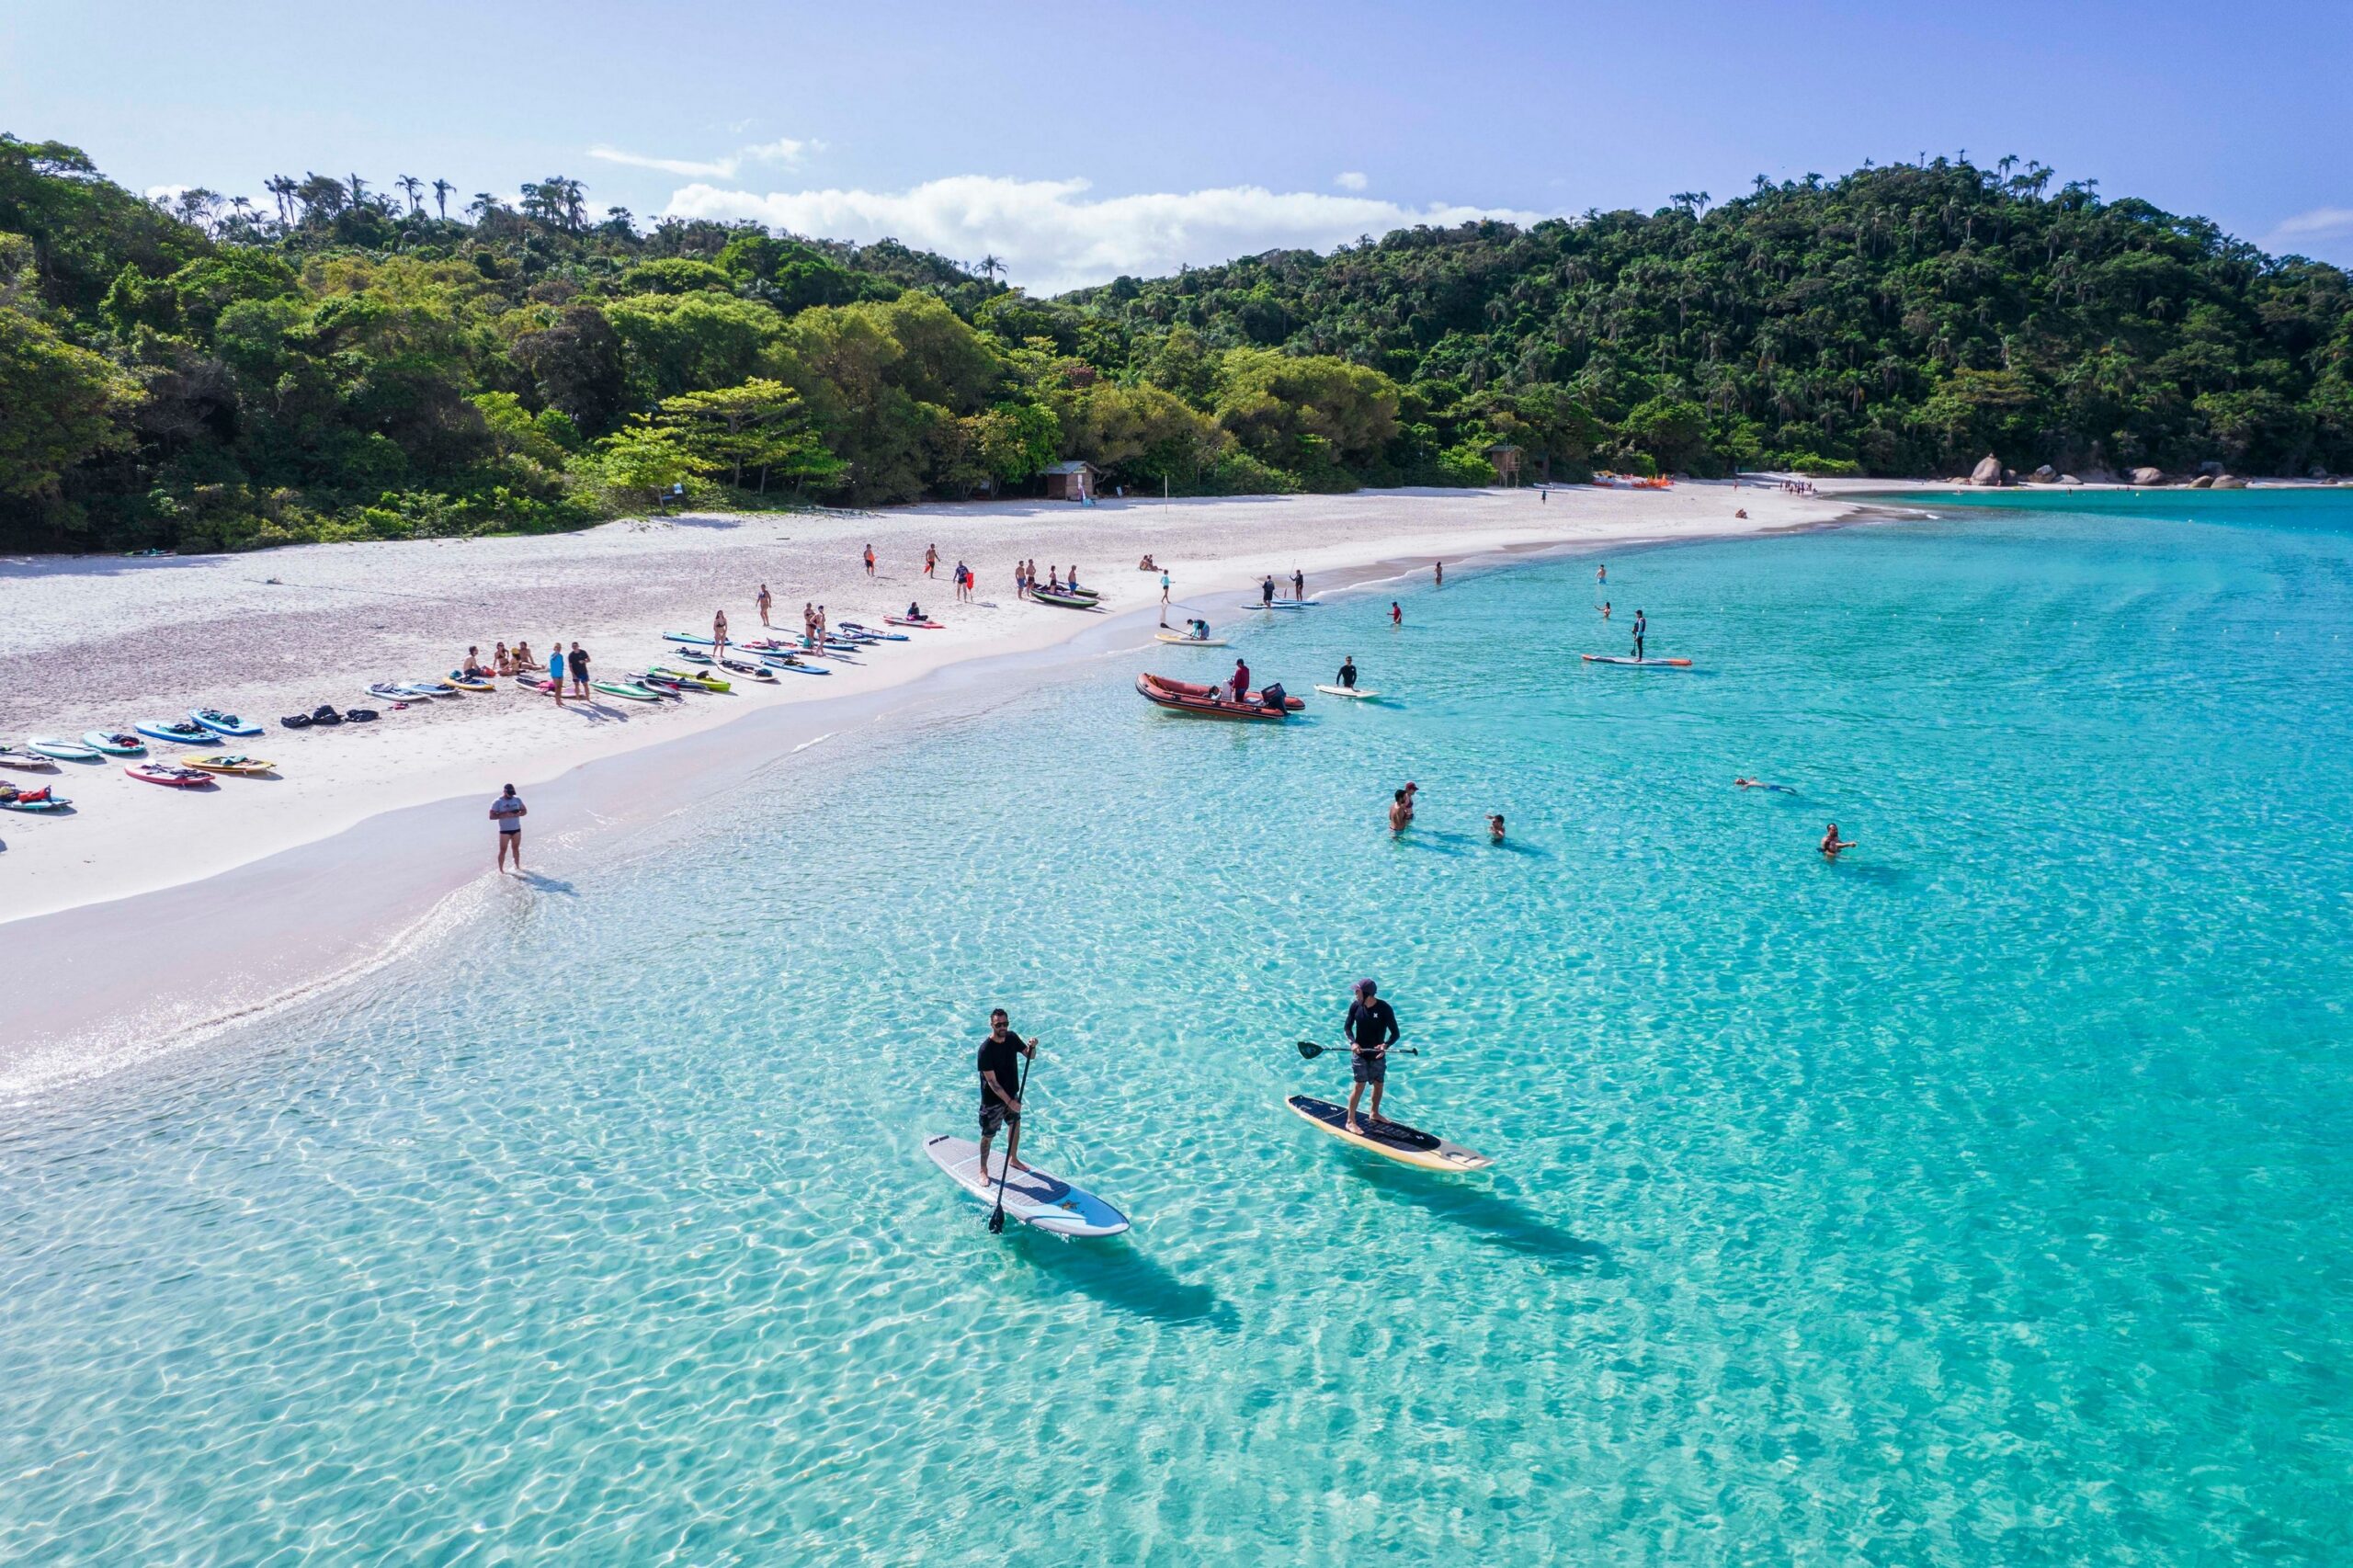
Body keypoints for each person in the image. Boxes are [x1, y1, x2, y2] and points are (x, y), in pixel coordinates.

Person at [976, 1008, 1037, 1177]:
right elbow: (993, 1083)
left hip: (1011, 1095)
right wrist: (1010, 1102)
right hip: (992, 1101)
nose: (1003, 1027)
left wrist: (1033, 1046)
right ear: (992, 1025)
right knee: (988, 1136)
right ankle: (983, 1170)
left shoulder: (1012, 1038)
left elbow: (1030, 1056)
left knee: (1015, 1125)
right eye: (998, 1025)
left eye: (1005, 1024)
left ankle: (1013, 1158)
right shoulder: (985, 1050)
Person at [1343, 979, 1400, 1135]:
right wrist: (1353, 1043)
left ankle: (1374, 1113)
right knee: (1359, 1086)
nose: (1355, 994)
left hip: (1377, 1055)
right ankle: (1350, 1121)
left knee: (1379, 1084)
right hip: (1359, 1053)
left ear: (1367, 994)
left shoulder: (1384, 1008)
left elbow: (1395, 1033)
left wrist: (1386, 1045)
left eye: (1358, 991)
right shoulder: (1355, 1006)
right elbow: (1347, 1028)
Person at [489, 783, 527, 873]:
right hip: (505, 830)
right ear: (505, 792)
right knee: (503, 850)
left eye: (512, 794)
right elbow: (491, 816)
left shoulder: (517, 799)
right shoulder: (498, 802)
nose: (511, 796)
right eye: (509, 794)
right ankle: (501, 870)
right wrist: (504, 815)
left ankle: (517, 866)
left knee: (516, 848)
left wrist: (518, 814)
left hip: (516, 828)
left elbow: (525, 811)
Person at [546, 642, 564, 706]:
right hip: (555, 674)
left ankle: (560, 700)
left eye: (559, 647)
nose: (559, 648)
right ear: (555, 648)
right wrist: (556, 653)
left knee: (560, 687)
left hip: (560, 673)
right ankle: (557, 701)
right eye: (557, 647)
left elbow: (562, 664)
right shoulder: (553, 655)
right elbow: (552, 660)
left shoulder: (561, 656)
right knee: (557, 688)